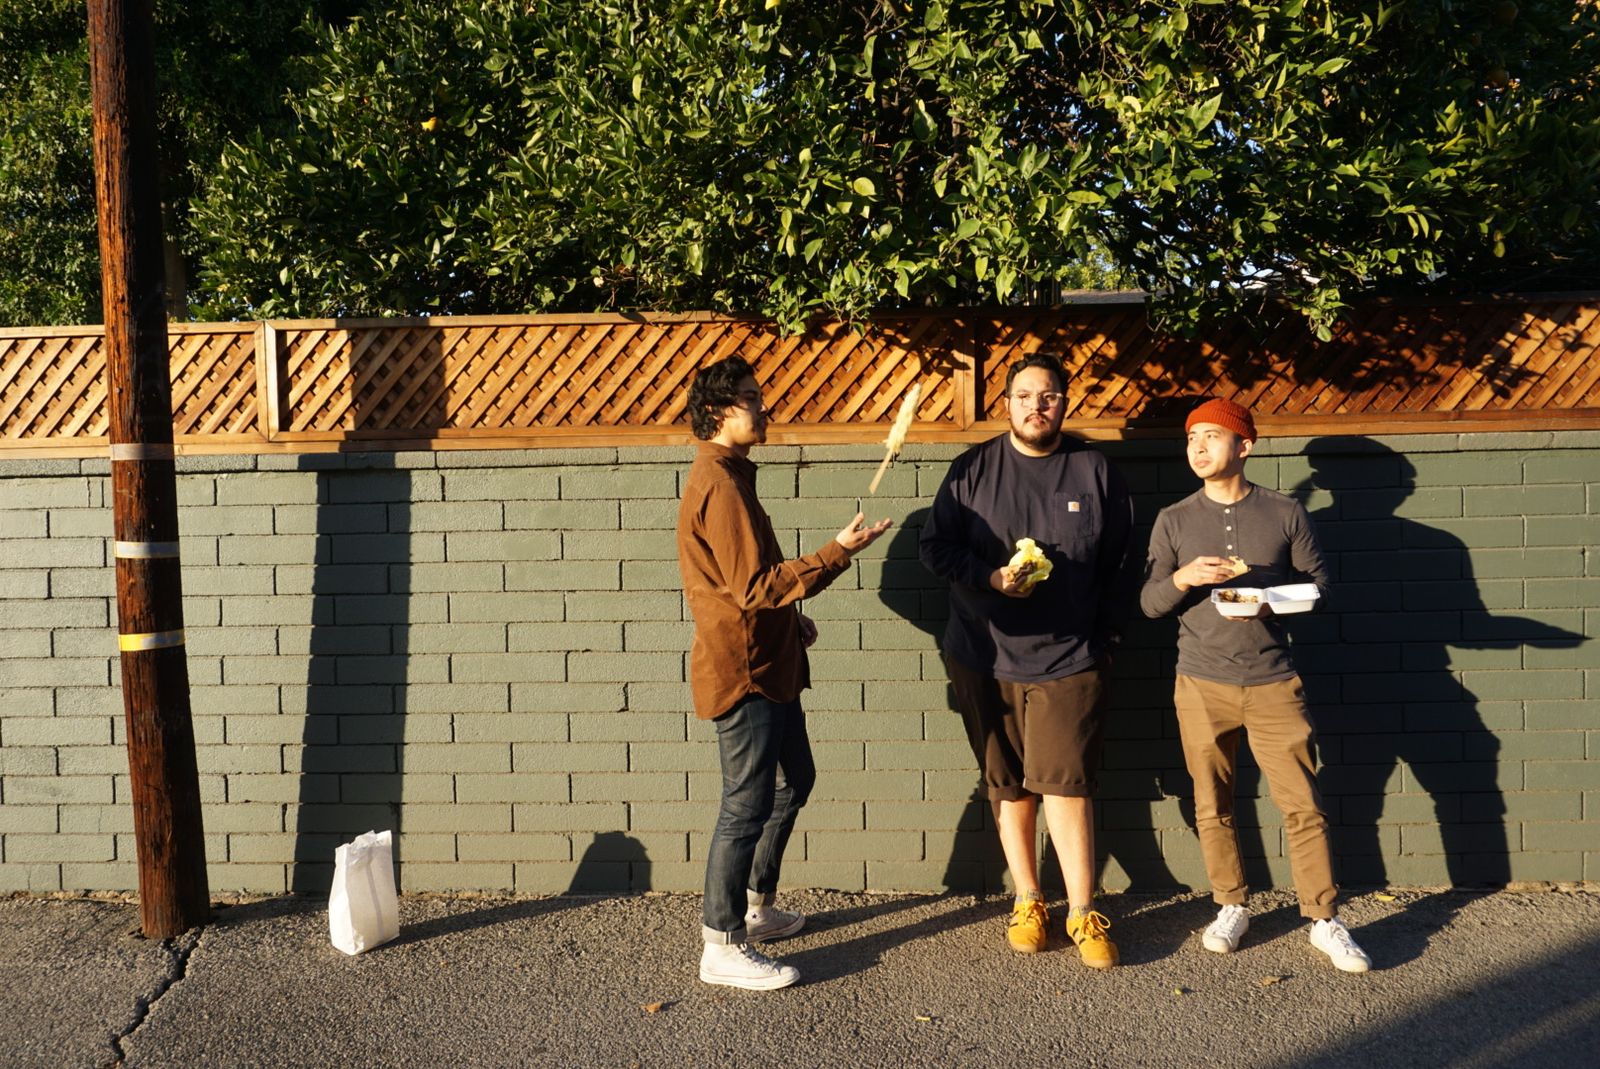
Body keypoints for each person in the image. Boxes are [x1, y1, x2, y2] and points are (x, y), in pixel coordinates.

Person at [677, 356, 892, 991]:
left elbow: (741, 587)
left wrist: (790, 621)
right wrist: (836, 553)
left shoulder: (733, 476)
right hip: (744, 673)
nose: (763, 407)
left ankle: (755, 908)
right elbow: (752, 587)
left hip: (770, 662)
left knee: (794, 780)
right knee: (744, 805)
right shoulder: (719, 483)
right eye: (750, 398)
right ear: (717, 410)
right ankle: (721, 944)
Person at [1139, 398, 1372, 973]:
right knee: (1211, 801)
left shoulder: (1285, 512)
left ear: (1244, 446)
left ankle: (1322, 917)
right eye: (1191, 437)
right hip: (1200, 682)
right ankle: (1230, 905)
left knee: (1302, 804)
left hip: (1273, 680)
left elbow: (1320, 589)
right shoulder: (1173, 519)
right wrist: (1184, 577)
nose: (1198, 447)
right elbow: (1149, 604)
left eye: (1211, 436)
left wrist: (1269, 601)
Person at [919, 353, 1133, 969]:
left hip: (1071, 657)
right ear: (1006, 404)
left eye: (1048, 396)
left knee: (1067, 784)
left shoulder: (1094, 470)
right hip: (985, 656)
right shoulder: (972, 470)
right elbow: (934, 547)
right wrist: (989, 576)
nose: (1036, 406)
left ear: (1064, 403)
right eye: (1024, 396)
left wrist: (1106, 638)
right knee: (1009, 785)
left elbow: (1122, 561)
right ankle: (1028, 899)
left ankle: (1082, 910)